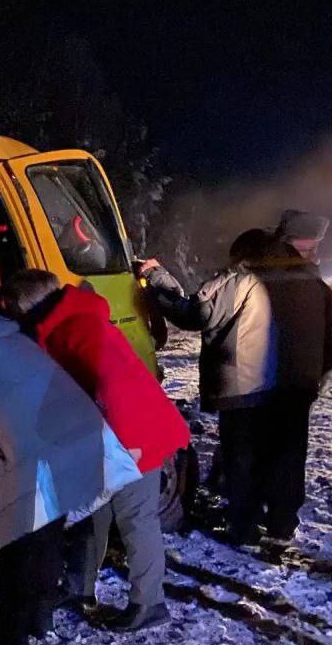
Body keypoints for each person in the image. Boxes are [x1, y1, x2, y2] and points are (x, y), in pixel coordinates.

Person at [0, 278, 142, 645]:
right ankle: (39, 617)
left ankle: (12, 638)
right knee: (48, 536)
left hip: (33, 450)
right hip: (70, 433)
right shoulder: (1, 330)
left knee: (18, 546)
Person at [1, 270, 191, 630]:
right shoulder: (67, 324)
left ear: (27, 306)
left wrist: (123, 450)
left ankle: (149, 604)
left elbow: (114, 388)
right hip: (117, 433)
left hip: (134, 436)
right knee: (93, 517)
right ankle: (79, 588)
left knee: (136, 520)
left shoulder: (76, 329)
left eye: (13, 310)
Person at [142, 230, 332, 545]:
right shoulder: (313, 284)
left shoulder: (241, 279)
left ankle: (244, 527)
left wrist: (156, 277)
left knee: (244, 460)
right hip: (295, 390)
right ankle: (282, 525)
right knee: (288, 457)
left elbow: (195, 312)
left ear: (243, 254)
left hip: (247, 391)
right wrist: (313, 373)